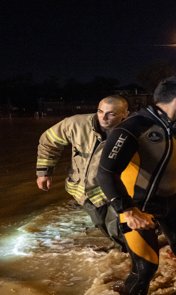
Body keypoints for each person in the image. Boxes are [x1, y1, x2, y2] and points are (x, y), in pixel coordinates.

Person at [96, 76, 176, 295]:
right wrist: (127, 210)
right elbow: (106, 173)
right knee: (146, 268)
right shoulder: (132, 128)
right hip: (139, 206)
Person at [36, 95, 129, 250]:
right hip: (85, 191)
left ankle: (131, 259)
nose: (103, 117)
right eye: (100, 111)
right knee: (100, 223)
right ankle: (125, 254)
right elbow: (48, 141)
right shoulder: (75, 124)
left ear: (125, 115)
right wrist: (44, 172)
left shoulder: (132, 132)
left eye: (111, 114)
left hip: (116, 190)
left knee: (117, 228)